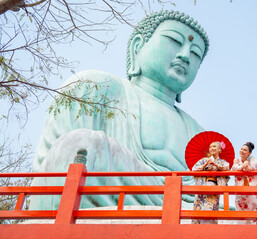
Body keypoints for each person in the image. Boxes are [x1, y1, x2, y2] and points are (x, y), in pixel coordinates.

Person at [29, 10, 210, 210]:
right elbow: (57, 160)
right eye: (174, 40)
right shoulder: (95, 86)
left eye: (195, 54)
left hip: (182, 206)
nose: (185, 56)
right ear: (137, 46)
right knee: (79, 144)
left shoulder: (201, 134)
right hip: (111, 196)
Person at [192, 142, 229, 224]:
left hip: (214, 187)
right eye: (210, 147)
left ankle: (207, 229)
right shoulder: (204, 160)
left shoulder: (222, 162)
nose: (212, 148)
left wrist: (216, 165)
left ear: (219, 149)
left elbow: (226, 168)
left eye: (214, 146)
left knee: (210, 208)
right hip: (202, 186)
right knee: (199, 208)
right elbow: (194, 169)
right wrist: (205, 165)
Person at [231, 142, 257, 224]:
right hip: (240, 190)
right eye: (241, 149)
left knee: (252, 210)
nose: (242, 151)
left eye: (245, 150)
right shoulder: (236, 160)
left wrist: (243, 167)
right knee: (240, 210)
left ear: (249, 153)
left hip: (250, 189)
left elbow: (252, 168)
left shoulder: (252, 159)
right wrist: (243, 165)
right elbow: (234, 168)